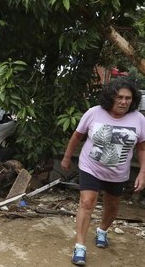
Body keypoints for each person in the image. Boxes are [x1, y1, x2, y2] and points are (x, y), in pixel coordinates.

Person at [61, 78, 145, 266]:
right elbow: (77, 136)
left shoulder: (139, 119)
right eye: (120, 97)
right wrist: (67, 158)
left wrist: (142, 172)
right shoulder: (94, 113)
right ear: (110, 97)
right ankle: (80, 246)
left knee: (113, 207)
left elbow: (142, 148)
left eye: (128, 98)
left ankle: (102, 230)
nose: (124, 102)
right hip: (90, 166)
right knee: (87, 202)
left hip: (118, 173)